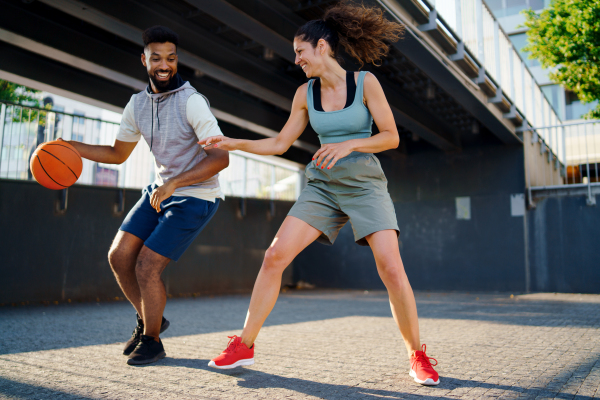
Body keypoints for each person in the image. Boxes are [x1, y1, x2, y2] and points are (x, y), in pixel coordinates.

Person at [199, 2, 440, 386]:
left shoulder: (365, 84)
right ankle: (244, 345)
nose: (296, 59)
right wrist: (233, 142)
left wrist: (350, 145)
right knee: (275, 255)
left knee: (392, 270)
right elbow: (280, 142)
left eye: (300, 51)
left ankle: (417, 355)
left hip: (365, 186)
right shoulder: (304, 93)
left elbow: (391, 137)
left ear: (323, 47)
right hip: (323, 186)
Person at [64, 26, 229, 365]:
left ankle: (152, 339)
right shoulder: (137, 104)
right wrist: (71, 148)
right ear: (144, 60)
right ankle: (150, 317)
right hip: (161, 190)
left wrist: (175, 183)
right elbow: (116, 153)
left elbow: (221, 158)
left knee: (146, 267)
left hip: (197, 195)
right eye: (156, 58)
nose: (164, 65)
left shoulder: (192, 102)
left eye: (170, 58)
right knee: (119, 256)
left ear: (176, 59)